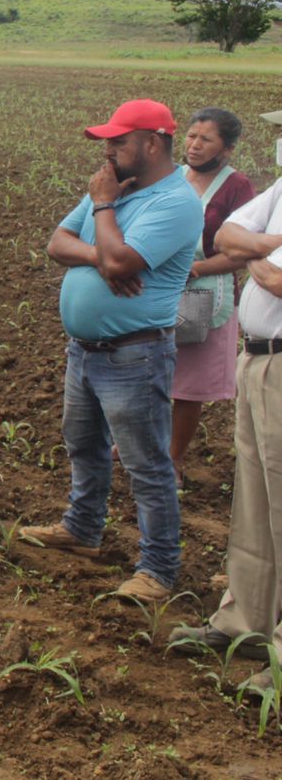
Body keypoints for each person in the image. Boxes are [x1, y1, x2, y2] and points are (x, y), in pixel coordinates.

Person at [19, 99, 202, 603]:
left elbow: (123, 262)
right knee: (82, 444)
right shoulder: (115, 189)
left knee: (147, 464)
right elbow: (58, 244)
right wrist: (105, 257)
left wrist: (102, 213)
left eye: (119, 141)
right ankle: (82, 530)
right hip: (85, 350)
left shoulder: (174, 202)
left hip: (135, 355)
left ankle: (159, 569)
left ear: (153, 142)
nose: (108, 149)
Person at [170, 105, 282, 697]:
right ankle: (244, 624)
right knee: (255, 504)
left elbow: (273, 278)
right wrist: (266, 248)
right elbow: (225, 237)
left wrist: (256, 254)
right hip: (258, 356)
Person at [169, 108, 254, 483]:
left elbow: (241, 250)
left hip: (207, 293)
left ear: (228, 148)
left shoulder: (237, 187)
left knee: (188, 384)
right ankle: (137, 444)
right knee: (151, 368)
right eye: (191, 136)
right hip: (161, 288)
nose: (195, 145)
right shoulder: (171, 177)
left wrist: (198, 268)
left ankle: (171, 457)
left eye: (206, 139)